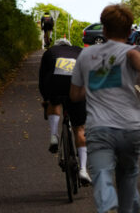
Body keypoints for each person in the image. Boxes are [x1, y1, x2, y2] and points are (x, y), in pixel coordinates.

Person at [70, 4, 140, 213]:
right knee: (128, 175)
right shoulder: (133, 50)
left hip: (99, 128)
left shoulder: (85, 56)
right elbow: (133, 56)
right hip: (130, 128)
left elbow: (75, 95)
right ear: (129, 32)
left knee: (101, 173)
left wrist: (91, 86)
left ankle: (107, 203)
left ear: (104, 30)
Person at [38, 38, 91, 185]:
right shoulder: (80, 51)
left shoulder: (50, 52)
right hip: (76, 85)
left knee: (54, 102)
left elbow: (42, 79)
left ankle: (54, 135)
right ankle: (83, 170)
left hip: (56, 83)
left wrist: (46, 98)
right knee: (79, 129)